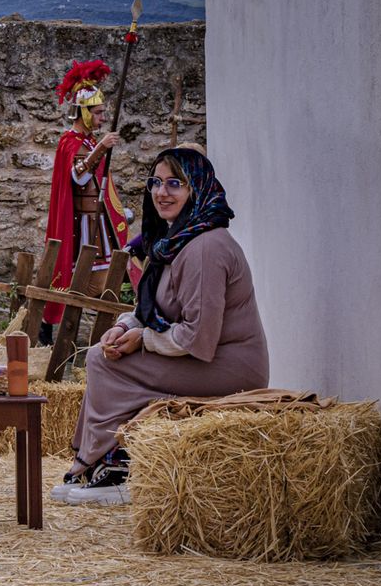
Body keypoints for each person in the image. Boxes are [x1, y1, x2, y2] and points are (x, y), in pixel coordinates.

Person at [56, 146, 270, 505]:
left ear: (197, 189)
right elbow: (155, 306)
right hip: (203, 357)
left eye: (175, 183)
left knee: (106, 366)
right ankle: (99, 462)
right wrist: (126, 327)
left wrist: (143, 340)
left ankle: (119, 469)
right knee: (101, 355)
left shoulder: (206, 248)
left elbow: (198, 337)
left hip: (229, 367)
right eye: (156, 182)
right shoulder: (177, 240)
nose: (161, 192)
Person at [40, 59, 140, 344]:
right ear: (82, 112)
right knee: (78, 283)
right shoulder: (70, 142)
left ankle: (101, 338)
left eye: (102, 113)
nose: (101, 118)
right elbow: (77, 176)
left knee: (105, 282)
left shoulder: (87, 142)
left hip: (99, 222)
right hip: (79, 225)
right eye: (97, 113)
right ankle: (52, 330)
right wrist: (100, 148)